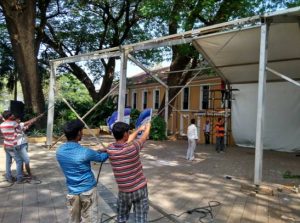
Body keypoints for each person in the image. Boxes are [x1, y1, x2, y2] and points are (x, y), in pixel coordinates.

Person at [56, 119, 109, 223]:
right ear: (79, 133)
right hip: (88, 191)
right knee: (89, 219)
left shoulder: (59, 151)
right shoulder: (85, 152)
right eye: (82, 131)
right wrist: (109, 150)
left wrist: (97, 151)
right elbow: (101, 158)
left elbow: (88, 155)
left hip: (72, 192)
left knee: (73, 220)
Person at [107, 122, 151, 223]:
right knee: (141, 218)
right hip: (140, 189)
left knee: (121, 218)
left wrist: (139, 129)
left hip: (124, 191)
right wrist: (147, 128)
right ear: (125, 134)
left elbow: (127, 140)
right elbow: (143, 138)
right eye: (128, 132)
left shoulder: (110, 149)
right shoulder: (133, 148)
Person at [15, 113, 44, 178]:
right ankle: (29, 174)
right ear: (14, 120)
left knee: (22, 159)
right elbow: (30, 121)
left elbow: (29, 124)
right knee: (26, 160)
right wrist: (39, 116)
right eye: (17, 119)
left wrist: (31, 123)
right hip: (20, 145)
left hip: (24, 144)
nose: (19, 120)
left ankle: (22, 173)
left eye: (19, 119)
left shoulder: (20, 125)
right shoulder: (14, 126)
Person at [0, 110, 24, 183]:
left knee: (8, 162)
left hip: (6, 145)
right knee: (19, 161)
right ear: (10, 116)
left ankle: (9, 177)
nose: (13, 115)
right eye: (12, 115)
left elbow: (2, 135)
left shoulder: (1, 125)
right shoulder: (14, 123)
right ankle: (19, 178)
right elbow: (20, 131)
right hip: (13, 145)